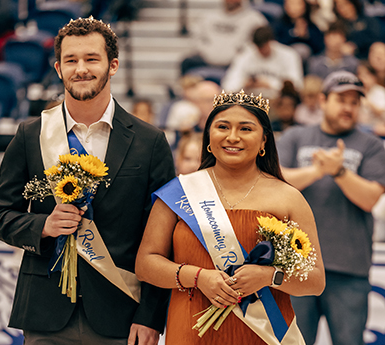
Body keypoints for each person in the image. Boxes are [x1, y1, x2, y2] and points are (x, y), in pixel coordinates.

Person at [0, 17, 175, 345]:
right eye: (71, 60)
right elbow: (0, 215)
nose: (81, 69)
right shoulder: (31, 135)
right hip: (45, 314)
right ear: (58, 68)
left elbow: (163, 236)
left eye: (91, 59)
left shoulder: (150, 141)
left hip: (121, 312)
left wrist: (151, 316)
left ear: (112, 65)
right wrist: (44, 226)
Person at [135, 89, 325, 344]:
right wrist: (197, 277)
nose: (232, 137)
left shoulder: (288, 198)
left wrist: (269, 276)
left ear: (264, 141)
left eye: (246, 129)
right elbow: (146, 265)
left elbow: (315, 281)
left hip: (263, 334)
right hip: (190, 330)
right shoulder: (180, 191)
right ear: (209, 138)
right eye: (222, 127)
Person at [276, 70, 385, 345]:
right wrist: (316, 171)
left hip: (349, 271)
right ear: (323, 100)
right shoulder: (295, 136)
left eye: (354, 101)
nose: (348, 107)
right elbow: (276, 183)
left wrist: (339, 172)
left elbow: (370, 198)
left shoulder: (372, 145)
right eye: (341, 99)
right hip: (296, 268)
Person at [180, 0, 267, 80]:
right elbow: (195, 38)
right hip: (206, 60)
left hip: (234, 64)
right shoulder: (208, 16)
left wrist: (241, 52)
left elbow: (262, 40)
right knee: (186, 62)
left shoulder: (254, 18)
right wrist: (205, 50)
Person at [221, 25, 304, 100]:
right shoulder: (244, 55)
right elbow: (227, 86)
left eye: (264, 46)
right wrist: (244, 83)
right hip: (250, 101)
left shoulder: (289, 55)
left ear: (271, 42)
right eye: (258, 47)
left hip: (277, 102)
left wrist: (269, 84)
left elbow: (296, 85)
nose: (261, 50)